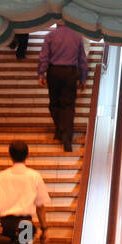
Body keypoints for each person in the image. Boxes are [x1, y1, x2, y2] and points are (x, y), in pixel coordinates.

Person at [36, 22, 89, 152]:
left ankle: (60, 129)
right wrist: (83, 78)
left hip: (54, 72)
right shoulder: (77, 37)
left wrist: (41, 73)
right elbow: (82, 59)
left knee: (54, 103)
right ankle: (67, 138)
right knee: (69, 105)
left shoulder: (50, 36)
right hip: (70, 73)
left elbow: (43, 57)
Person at [0, 140, 50, 244]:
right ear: (27, 155)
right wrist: (44, 229)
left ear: (10, 155)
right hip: (26, 224)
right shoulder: (34, 176)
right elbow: (40, 206)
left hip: (5, 224)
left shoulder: (1, 176)